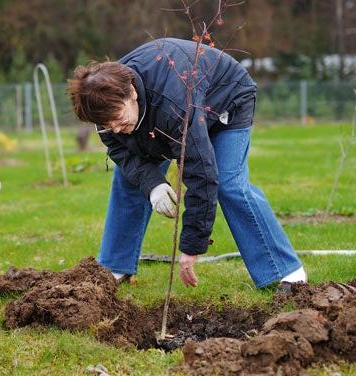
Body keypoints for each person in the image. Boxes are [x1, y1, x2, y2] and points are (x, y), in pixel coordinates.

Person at [67, 38, 306, 289]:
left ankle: (285, 272)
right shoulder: (102, 107)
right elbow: (122, 152)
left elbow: (200, 171)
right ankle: (115, 268)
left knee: (228, 183)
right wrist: (153, 185)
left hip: (226, 99)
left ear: (132, 93)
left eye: (117, 119)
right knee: (128, 179)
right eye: (107, 125)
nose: (115, 128)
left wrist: (191, 246)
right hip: (159, 116)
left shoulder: (174, 103)